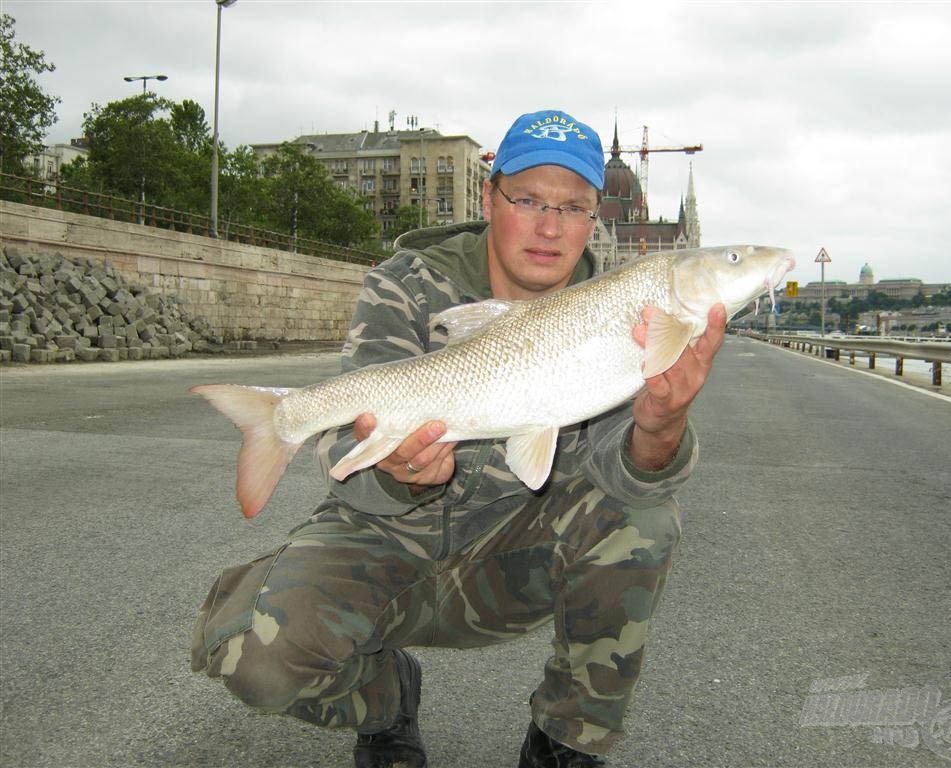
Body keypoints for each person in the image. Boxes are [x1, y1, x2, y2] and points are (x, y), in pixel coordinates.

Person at [191, 109, 726, 768]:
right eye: (528, 200)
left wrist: (662, 422)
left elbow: (629, 478)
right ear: (488, 197)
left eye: (573, 208)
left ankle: (567, 738)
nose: (549, 227)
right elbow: (348, 468)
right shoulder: (407, 283)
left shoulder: (619, 312)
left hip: (513, 560)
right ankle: (385, 703)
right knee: (249, 658)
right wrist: (396, 473)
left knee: (647, 520)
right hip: (389, 546)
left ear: (596, 219)